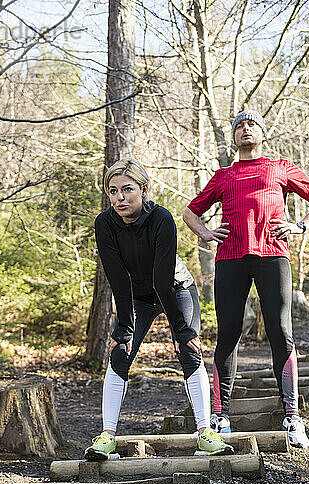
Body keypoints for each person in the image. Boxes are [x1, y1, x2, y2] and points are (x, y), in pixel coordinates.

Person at [183, 110, 309, 448]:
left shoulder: (280, 167)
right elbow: (190, 211)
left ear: (262, 133)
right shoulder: (224, 175)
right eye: (239, 126)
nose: (245, 129)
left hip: (273, 256)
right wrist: (206, 232)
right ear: (233, 137)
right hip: (230, 258)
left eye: (251, 125)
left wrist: (301, 225)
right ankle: (220, 416)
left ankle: (292, 416)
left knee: (281, 331)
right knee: (229, 333)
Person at [85, 158, 234, 460]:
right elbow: (116, 276)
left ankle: (205, 433)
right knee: (120, 352)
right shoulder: (105, 224)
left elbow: (162, 279)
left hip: (175, 289)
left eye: (127, 190)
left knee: (189, 348)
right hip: (138, 297)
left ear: (143, 189)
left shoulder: (161, 219)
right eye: (113, 191)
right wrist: (124, 327)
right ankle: (107, 437)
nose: (120, 198)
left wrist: (181, 329)